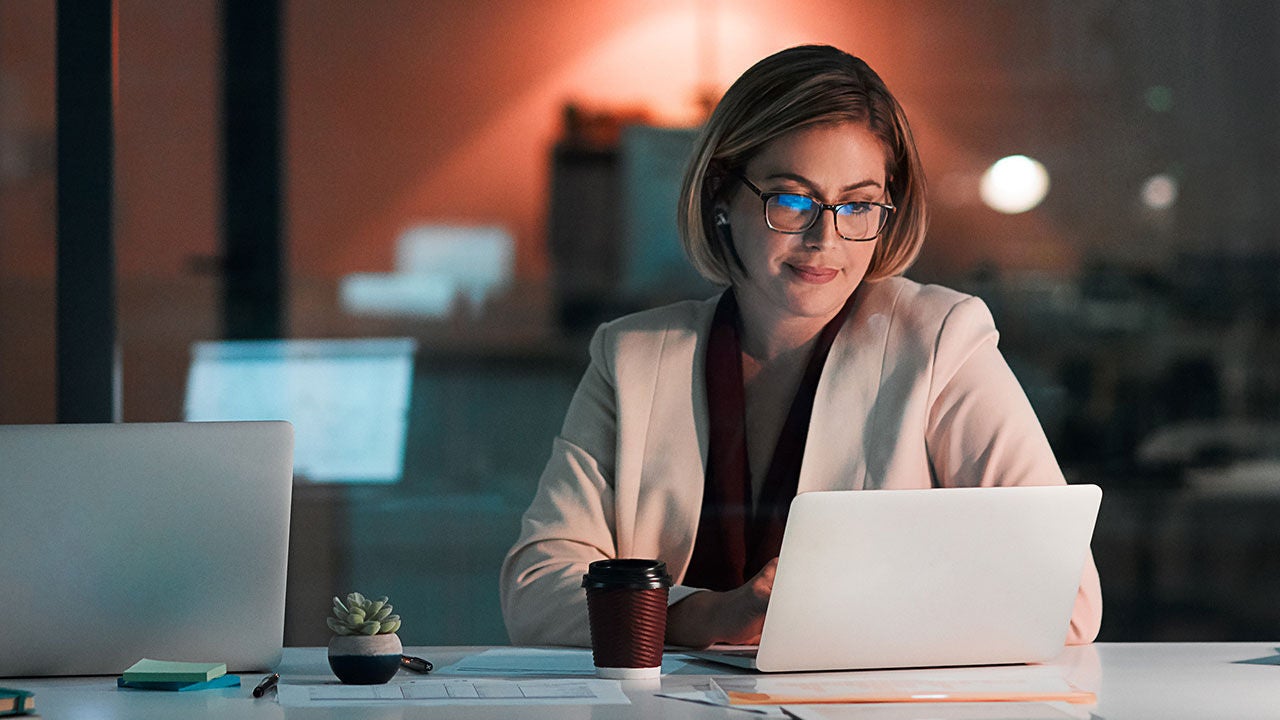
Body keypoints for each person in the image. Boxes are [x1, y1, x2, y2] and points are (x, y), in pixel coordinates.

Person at [500, 44, 1102, 648]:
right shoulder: (631, 356)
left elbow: (1066, 601)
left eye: (859, 204)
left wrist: (826, 620)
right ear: (721, 196)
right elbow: (536, 590)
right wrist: (703, 616)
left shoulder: (941, 339)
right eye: (791, 200)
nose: (825, 237)